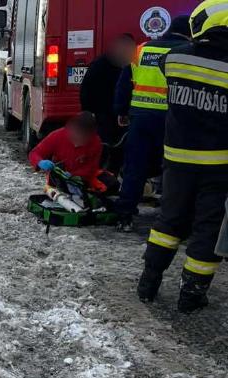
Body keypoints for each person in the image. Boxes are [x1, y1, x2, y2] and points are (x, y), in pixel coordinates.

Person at [137, 1, 228, 313]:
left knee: (168, 222)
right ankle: (191, 294)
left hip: (176, 160)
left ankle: (149, 280)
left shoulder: (175, 59)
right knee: (208, 228)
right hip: (218, 165)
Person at [113, 16, 192, 232]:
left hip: (141, 118)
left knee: (135, 167)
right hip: (173, 120)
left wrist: (121, 110)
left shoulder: (141, 49)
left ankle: (124, 215)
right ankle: (171, 219)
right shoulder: (187, 52)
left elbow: (124, 83)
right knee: (174, 170)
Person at [80, 33, 136, 166]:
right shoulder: (100, 64)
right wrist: (88, 111)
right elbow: (86, 89)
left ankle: (111, 177)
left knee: (119, 150)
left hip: (120, 116)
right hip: (102, 115)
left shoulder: (131, 66)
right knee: (103, 149)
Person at [28, 112, 116, 195]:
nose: (80, 138)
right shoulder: (57, 136)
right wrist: (40, 162)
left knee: (110, 182)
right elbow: (34, 153)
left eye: (85, 136)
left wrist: (75, 176)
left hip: (83, 177)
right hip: (59, 177)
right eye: (79, 133)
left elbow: (91, 167)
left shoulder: (96, 142)